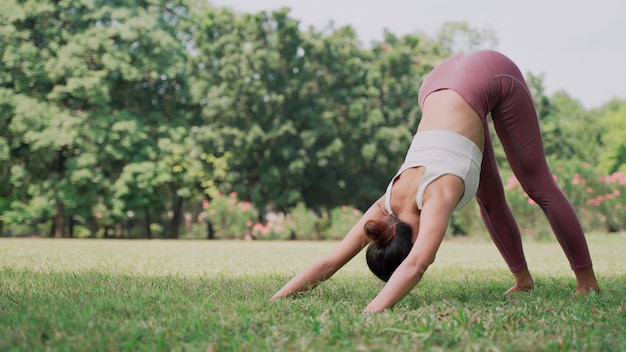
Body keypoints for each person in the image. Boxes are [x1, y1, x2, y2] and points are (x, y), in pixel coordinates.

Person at [271, 50, 600, 312]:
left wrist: (371, 312)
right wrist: (278, 300)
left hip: (491, 74)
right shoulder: (385, 208)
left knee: (537, 184)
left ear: (411, 240)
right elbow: (331, 260)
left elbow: (417, 264)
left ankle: (586, 281)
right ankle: (522, 280)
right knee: (488, 196)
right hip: (437, 84)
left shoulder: (437, 195)